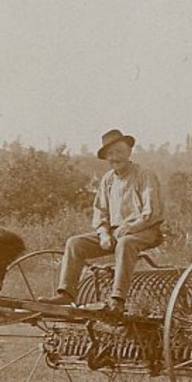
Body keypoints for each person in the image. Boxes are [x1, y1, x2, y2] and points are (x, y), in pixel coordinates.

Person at [44, 128, 165, 314]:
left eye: (119, 152)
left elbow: (152, 211)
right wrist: (103, 234)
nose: (115, 157)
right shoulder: (107, 180)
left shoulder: (144, 174)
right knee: (75, 243)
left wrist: (133, 226)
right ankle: (66, 294)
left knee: (125, 243)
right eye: (111, 154)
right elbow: (100, 212)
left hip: (146, 230)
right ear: (106, 158)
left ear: (129, 152)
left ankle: (117, 300)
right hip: (115, 233)